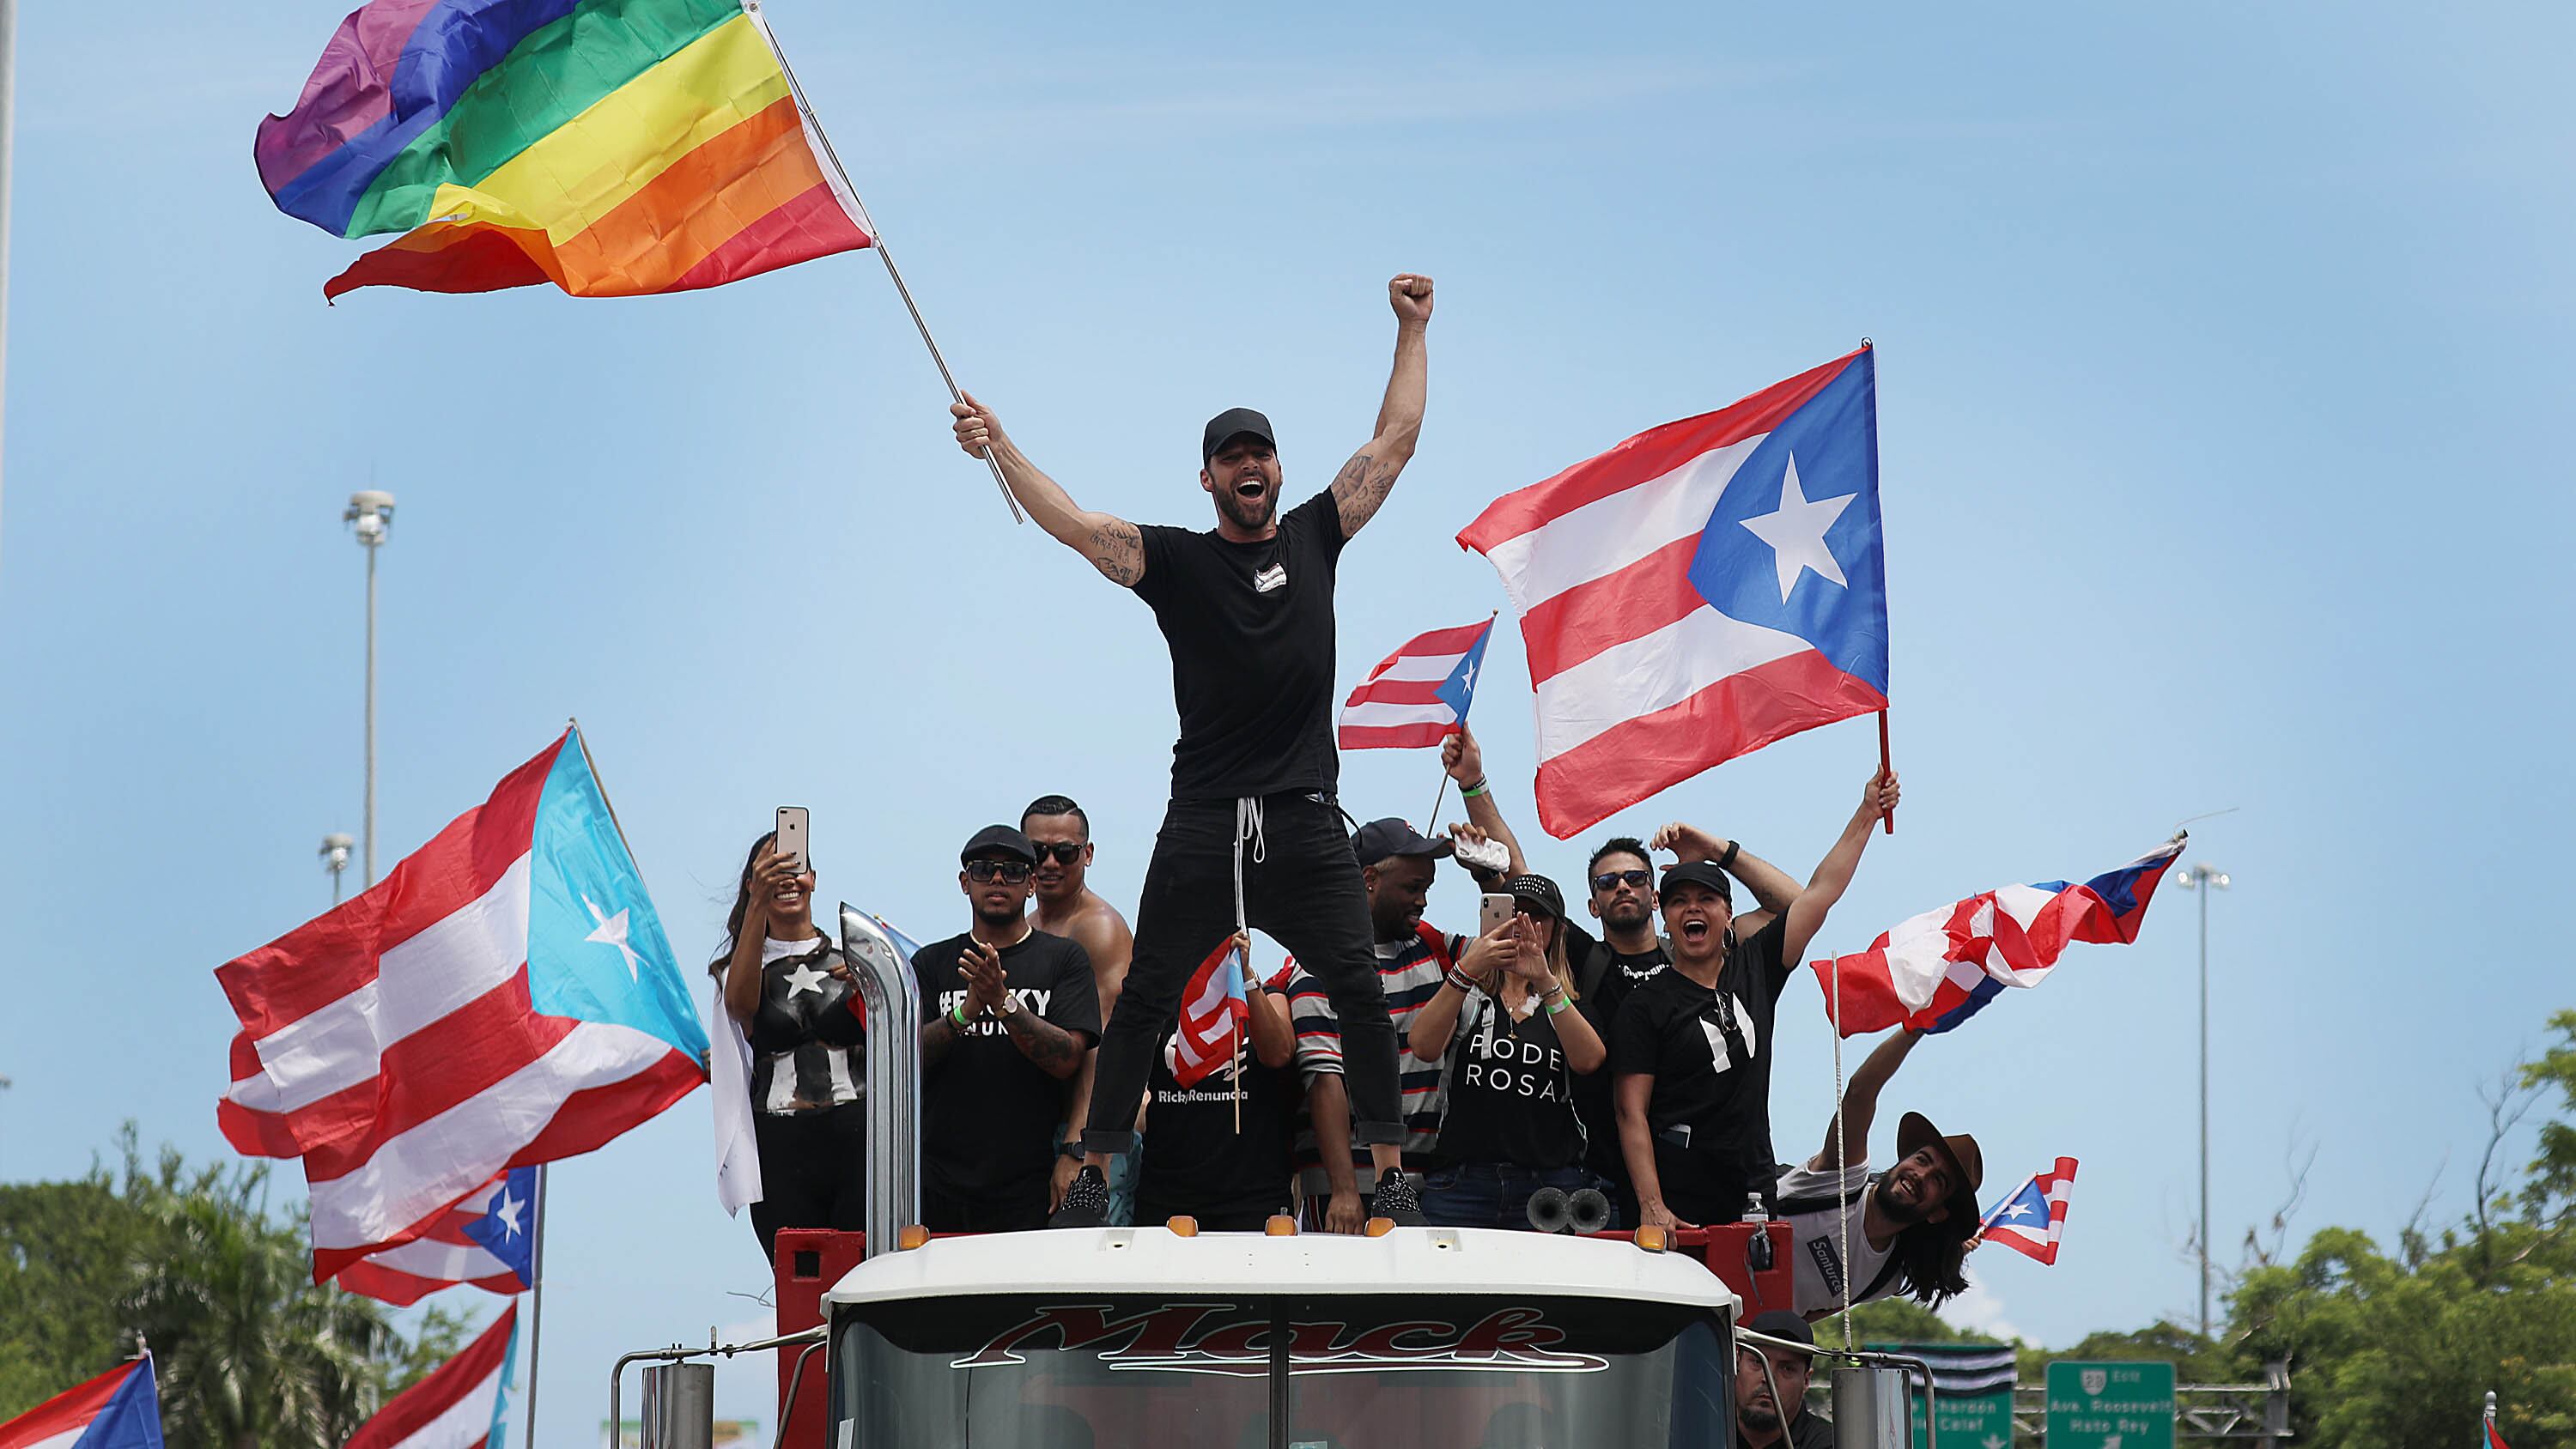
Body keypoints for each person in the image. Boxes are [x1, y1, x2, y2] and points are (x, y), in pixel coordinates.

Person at [949, 273, 1437, 1229]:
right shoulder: (1173, 560)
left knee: (1357, 988)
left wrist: (1412, 328)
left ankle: (1391, 1172)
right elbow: (1075, 524)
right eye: (1229, 456)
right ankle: (1096, 1167)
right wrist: (999, 446)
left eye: (1260, 452)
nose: (1247, 466)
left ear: (1279, 471)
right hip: (1208, 813)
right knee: (1145, 1000)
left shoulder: (1317, 533)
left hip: (1302, 811)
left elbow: (1396, 442)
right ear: (1208, 476)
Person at [1437, 722, 1799, 1225]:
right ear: (1591, 904)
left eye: (1636, 878)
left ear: (1656, 895)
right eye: (1608, 882)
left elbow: (1791, 909)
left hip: (1711, 1169)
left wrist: (1715, 851)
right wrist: (1473, 783)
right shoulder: (1585, 959)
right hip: (1601, 1175)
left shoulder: (1698, 953)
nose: (1622, 887)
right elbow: (1520, 877)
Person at [1613, 770, 1902, 1231]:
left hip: (1751, 1192)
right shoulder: (1645, 1005)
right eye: (1679, 900)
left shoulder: (1755, 968)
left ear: (1729, 915)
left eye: (1707, 898)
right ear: (1664, 918)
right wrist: (1652, 1204)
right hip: (1677, 1203)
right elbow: (1631, 1112)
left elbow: (1818, 894)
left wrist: (1867, 811)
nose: (1693, 908)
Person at [1286, 818, 1475, 1230]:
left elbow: (1520, 943)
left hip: (1432, 1183)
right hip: (1351, 1187)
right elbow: (1325, 1080)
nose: (1423, 901)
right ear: (1369, 878)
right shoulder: (1319, 962)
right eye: (1413, 888)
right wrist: (1345, 1189)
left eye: (1426, 888)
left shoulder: (1434, 946)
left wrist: (1486, 874)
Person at [913, 825, 1102, 1230]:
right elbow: (907, 1060)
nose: (998, 879)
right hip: (938, 1182)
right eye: (984, 870)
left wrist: (1004, 1003)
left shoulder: (1064, 960)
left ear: (1031, 884)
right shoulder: (931, 963)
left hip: (1031, 1182)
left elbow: (1070, 1058)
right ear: (965, 883)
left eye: (1013, 871)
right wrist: (964, 1013)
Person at [1405, 873, 1613, 1229]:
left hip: (1548, 1185)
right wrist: (1469, 966)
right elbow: (1423, 1046)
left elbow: (1589, 1060)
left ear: (1557, 930)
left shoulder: (1568, 1007)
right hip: (1463, 1182)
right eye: (1514, 913)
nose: (1524, 924)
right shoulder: (1468, 997)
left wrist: (1546, 980)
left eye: (1538, 916)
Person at [712, 830, 866, 1258]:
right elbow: (740, 1008)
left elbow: (893, 1038)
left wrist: (869, 990)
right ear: (751, 884)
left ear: (813, 878)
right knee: (801, 1280)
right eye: (770, 870)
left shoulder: (853, 960)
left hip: (856, 1135)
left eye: (794, 868)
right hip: (782, 1143)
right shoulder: (739, 969)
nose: (786, 878)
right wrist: (757, 906)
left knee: (862, 1270)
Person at [1775, 1027, 1984, 1318]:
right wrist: (1915, 1029)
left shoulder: (1886, 1277)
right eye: (1922, 1160)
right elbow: (1860, 1092)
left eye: (1938, 1180)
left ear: (1937, 1214)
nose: (1920, 1175)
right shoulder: (1841, 1180)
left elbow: (1805, 1316)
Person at [1021, 794, 1139, 1221]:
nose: (1050, 863)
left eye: (1065, 852)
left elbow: (1105, 1046)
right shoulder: (1029, 928)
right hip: (1040, 1129)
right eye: (1038, 852)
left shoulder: (1099, 928)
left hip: (1090, 1139)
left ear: (1087, 854)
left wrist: (1079, 1148)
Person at [1133, 937, 1299, 1230]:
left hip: (1253, 1199)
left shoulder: (1268, 996)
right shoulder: (1160, 1004)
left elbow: (1279, 1053)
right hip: (1168, 1199)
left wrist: (1246, 977)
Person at [1735, 1311, 1834, 1449]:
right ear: (1736, 1364)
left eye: (1787, 1369)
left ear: (1806, 1381)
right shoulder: (1703, 1430)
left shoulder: (1829, 1443)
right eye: (1758, 1362)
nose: (1768, 1379)